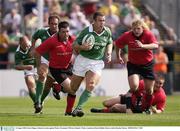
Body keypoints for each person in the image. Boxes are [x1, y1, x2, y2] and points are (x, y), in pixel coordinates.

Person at [70, 12, 113, 117]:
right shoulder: (86, 31)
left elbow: (110, 42)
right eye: (99, 20)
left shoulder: (107, 31)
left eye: (103, 20)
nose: (102, 23)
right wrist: (82, 47)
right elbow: (74, 45)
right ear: (94, 21)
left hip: (97, 62)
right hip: (82, 60)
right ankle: (61, 87)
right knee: (73, 88)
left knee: (91, 84)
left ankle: (78, 108)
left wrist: (109, 52)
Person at [115, 19, 158, 113]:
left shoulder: (148, 34)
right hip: (133, 64)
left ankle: (147, 108)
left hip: (147, 64)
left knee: (149, 90)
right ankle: (139, 96)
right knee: (134, 86)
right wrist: (118, 56)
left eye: (138, 28)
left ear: (142, 28)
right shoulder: (127, 35)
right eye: (134, 29)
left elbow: (155, 46)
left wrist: (143, 46)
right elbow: (117, 44)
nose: (136, 31)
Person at [35, 21, 76, 115]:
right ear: (58, 31)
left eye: (67, 31)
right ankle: (69, 111)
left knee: (74, 87)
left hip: (68, 67)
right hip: (56, 69)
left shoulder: (72, 39)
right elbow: (37, 52)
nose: (66, 34)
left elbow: (79, 47)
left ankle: (56, 87)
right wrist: (38, 67)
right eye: (63, 32)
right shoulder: (52, 41)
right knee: (72, 90)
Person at [90, 74, 166, 114]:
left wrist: (156, 111)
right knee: (106, 102)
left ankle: (101, 111)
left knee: (115, 107)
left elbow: (160, 110)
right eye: (157, 82)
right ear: (153, 81)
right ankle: (115, 110)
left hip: (137, 107)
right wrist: (128, 108)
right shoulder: (143, 83)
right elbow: (129, 93)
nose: (158, 85)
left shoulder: (162, 95)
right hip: (129, 98)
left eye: (161, 83)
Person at [31, 14, 61, 113]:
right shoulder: (42, 31)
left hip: (56, 61)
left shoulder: (62, 34)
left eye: (56, 24)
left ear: (58, 24)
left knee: (48, 85)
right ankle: (38, 102)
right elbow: (34, 36)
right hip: (44, 58)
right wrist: (32, 47)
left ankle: (40, 102)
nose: (54, 26)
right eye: (52, 24)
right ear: (48, 24)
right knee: (42, 75)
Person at [14, 35, 37, 106]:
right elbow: (17, 66)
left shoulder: (33, 46)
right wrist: (26, 67)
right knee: (30, 85)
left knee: (41, 84)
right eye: (25, 44)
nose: (27, 46)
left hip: (38, 67)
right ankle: (37, 103)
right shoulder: (18, 53)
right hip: (28, 69)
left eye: (28, 43)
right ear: (20, 43)